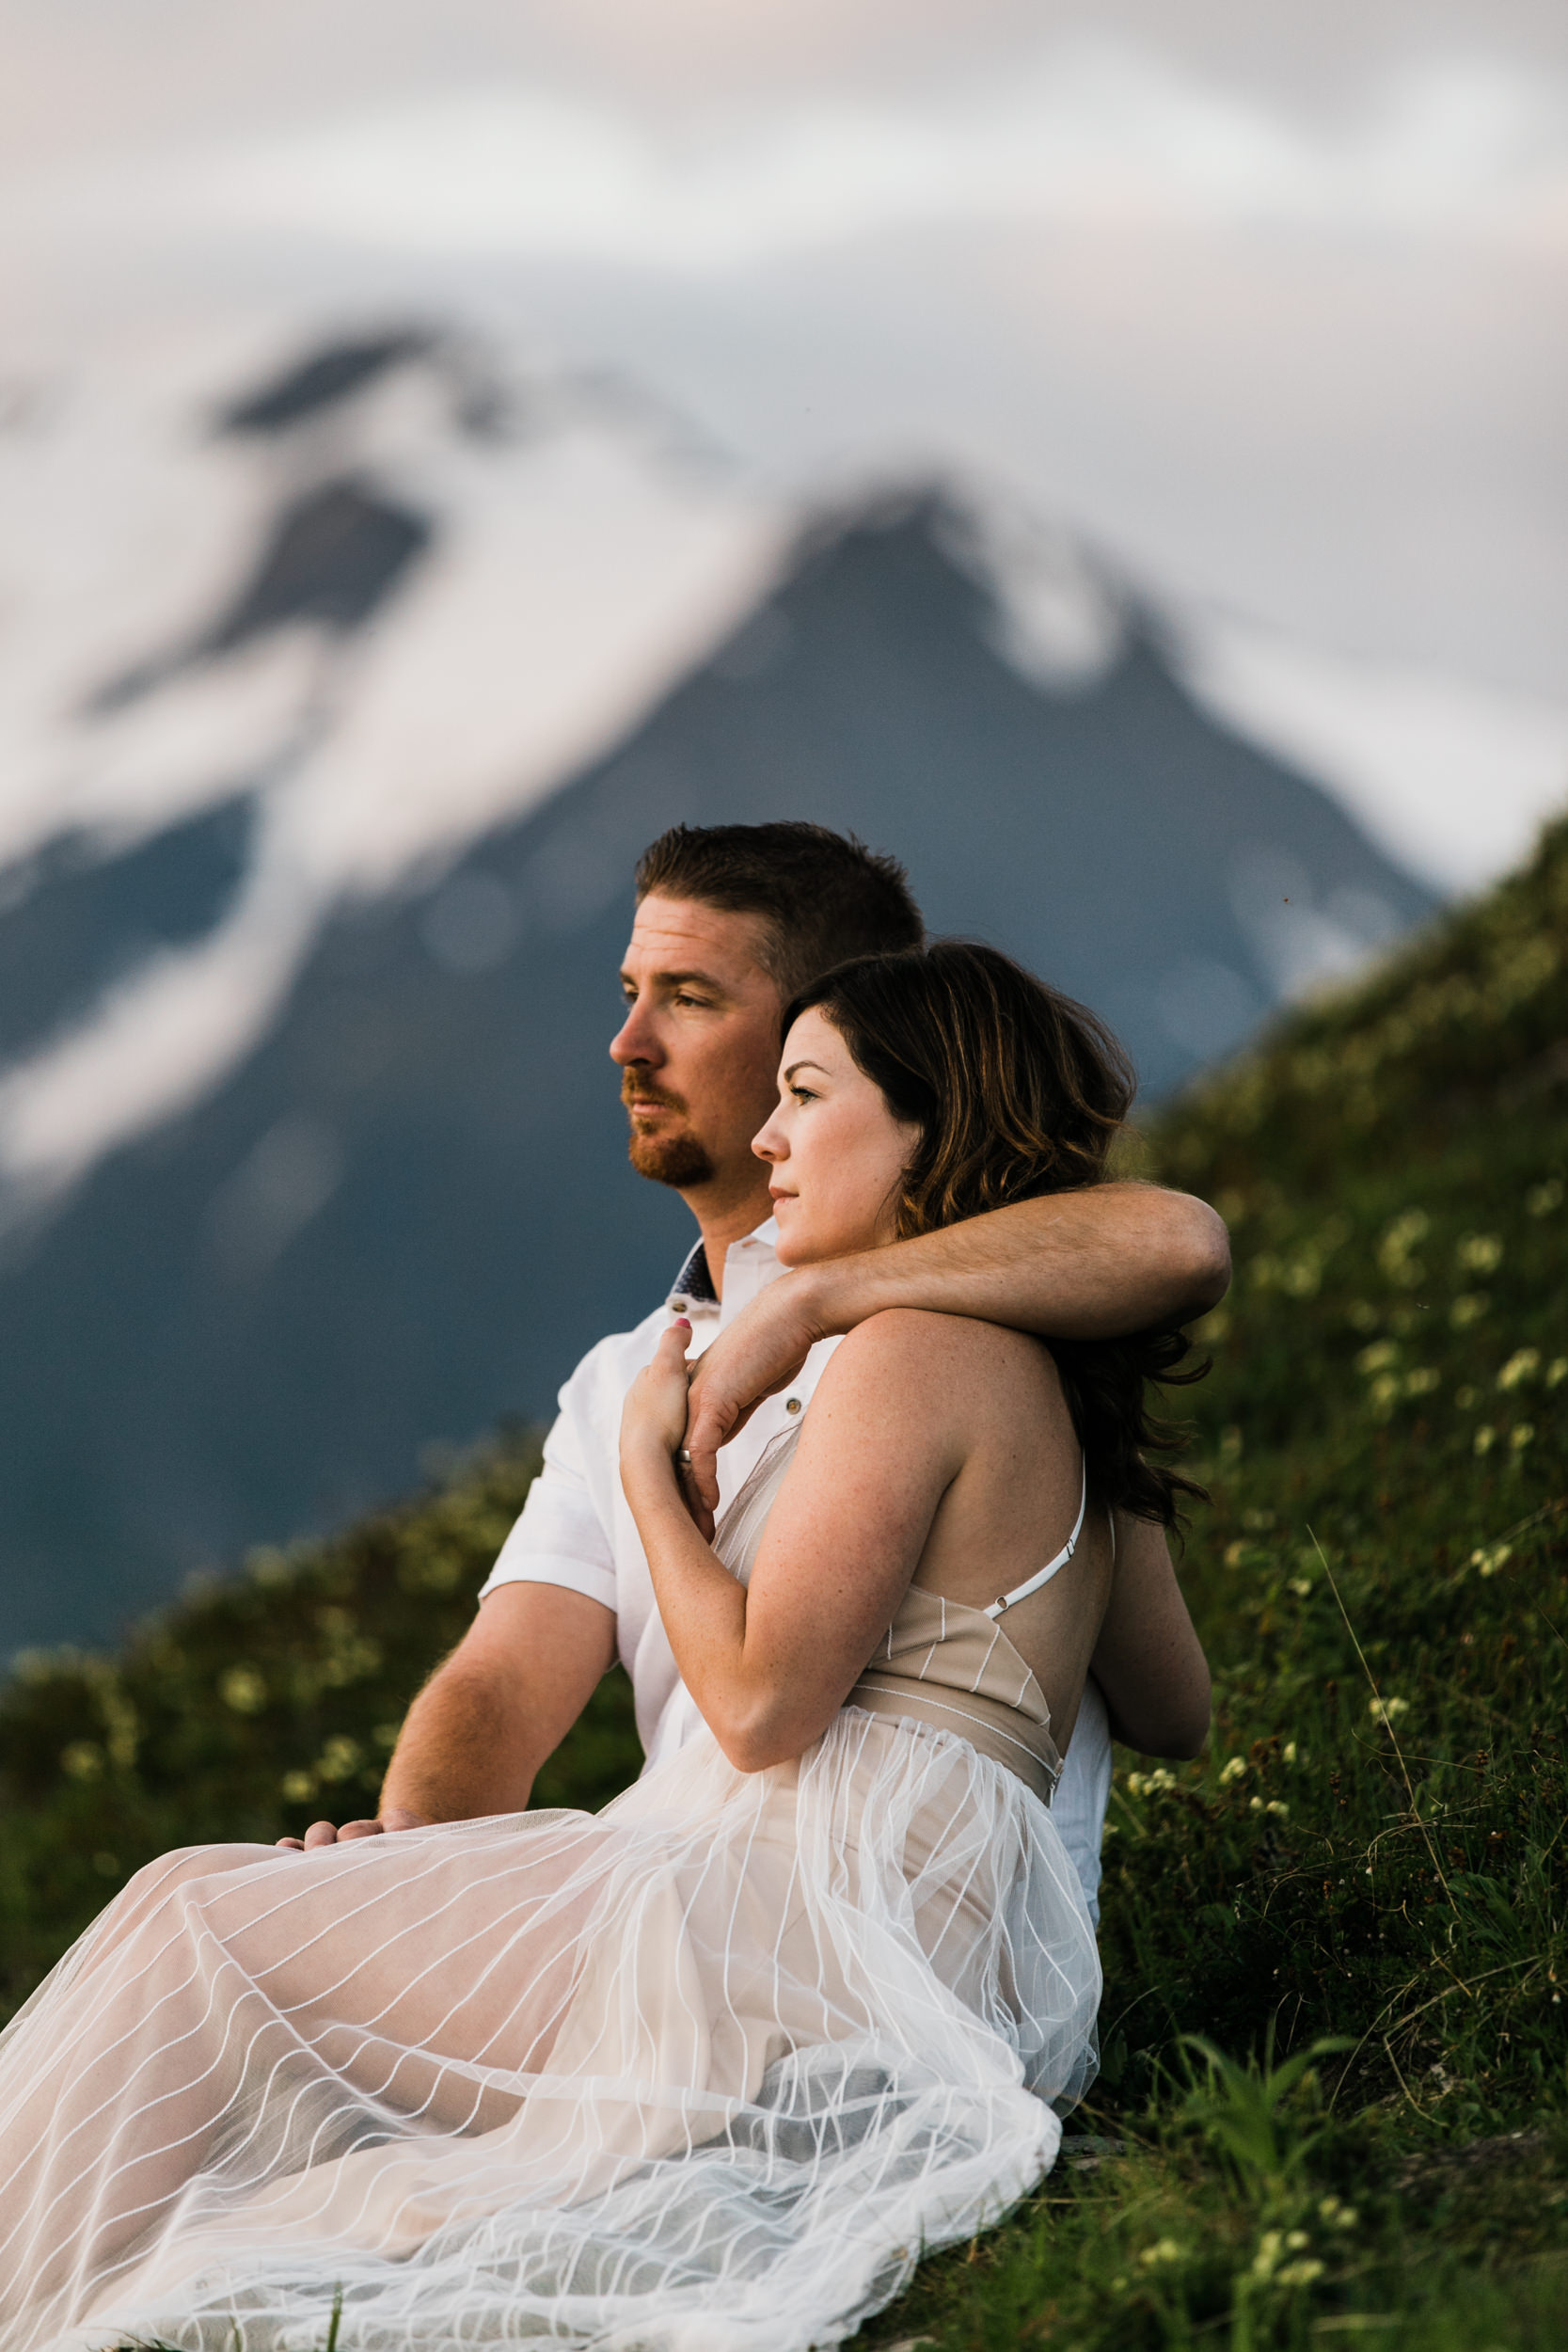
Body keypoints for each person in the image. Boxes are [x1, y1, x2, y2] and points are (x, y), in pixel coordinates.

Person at [0, 940, 1211, 2351]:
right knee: (306, 2192)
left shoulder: (911, 1350)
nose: (766, 1136)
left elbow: (759, 1708)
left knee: (190, 1923)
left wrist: (650, 1477)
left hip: (788, 1933)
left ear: (928, 1131)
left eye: (806, 1094)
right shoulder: (1068, 1406)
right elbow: (1172, 1710)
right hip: (935, 1957)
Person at [293, 824, 1229, 1929]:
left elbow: (1181, 1242)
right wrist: (403, 1866)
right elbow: (500, 1685)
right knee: (244, 1923)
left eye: (688, 997)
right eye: (631, 990)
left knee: (200, 1934)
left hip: (850, 1936)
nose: (625, 1043)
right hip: (682, 1904)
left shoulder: (970, 1321)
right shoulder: (621, 1376)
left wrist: (815, 1296)